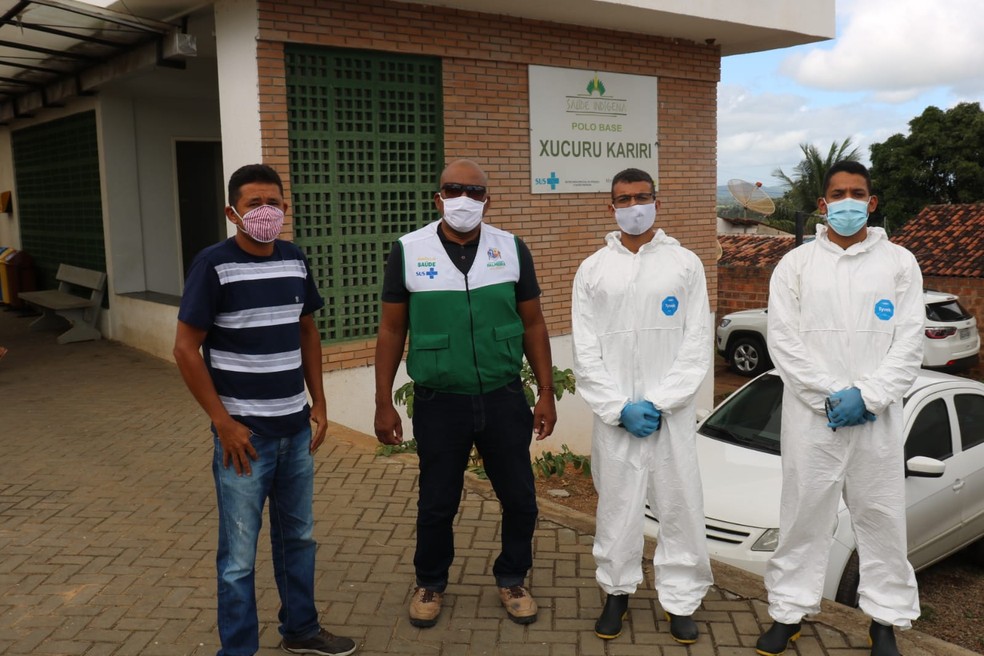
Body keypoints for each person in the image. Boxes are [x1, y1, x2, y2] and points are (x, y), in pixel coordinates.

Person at [173, 164, 357, 656]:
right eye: (254, 203)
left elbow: (307, 331)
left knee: (299, 538)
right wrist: (223, 423)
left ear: (285, 208)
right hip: (244, 439)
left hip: (295, 431)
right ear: (232, 212)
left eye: (273, 202)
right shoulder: (213, 265)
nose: (265, 211)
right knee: (238, 557)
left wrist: (320, 402)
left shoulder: (295, 259)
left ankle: (301, 630)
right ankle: (237, 650)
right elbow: (185, 349)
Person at [373, 159, 557, 629]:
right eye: (454, 189)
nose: (464, 199)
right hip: (439, 401)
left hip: (503, 395)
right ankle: (430, 583)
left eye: (475, 191)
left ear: (487, 200)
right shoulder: (408, 250)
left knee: (520, 498)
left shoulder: (511, 248)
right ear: (438, 198)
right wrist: (383, 402)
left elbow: (533, 322)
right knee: (437, 502)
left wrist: (546, 391)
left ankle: (513, 578)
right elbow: (392, 329)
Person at [756, 161, 923, 656]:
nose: (847, 202)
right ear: (822, 204)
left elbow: (909, 343)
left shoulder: (899, 263)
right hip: (814, 421)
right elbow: (784, 344)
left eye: (857, 193)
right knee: (803, 517)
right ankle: (788, 612)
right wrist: (832, 397)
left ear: (872, 202)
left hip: (876, 422)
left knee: (881, 519)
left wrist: (867, 397)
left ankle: (884, 621)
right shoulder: (796, 265)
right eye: (837, 194)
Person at [571, 168, 713, 644]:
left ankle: (681, 600)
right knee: (617, 506)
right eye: (623, 199)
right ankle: (616, 590)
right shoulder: (593, 269)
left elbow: (696, 341)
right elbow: (585, 348)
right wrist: (618, 407)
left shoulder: (684, 264)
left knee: (679, 505)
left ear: (657, 201)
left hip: (670, 416)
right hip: (617, 419)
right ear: (610, 206)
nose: (633, 207)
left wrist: (660, 401)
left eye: (641, 197)